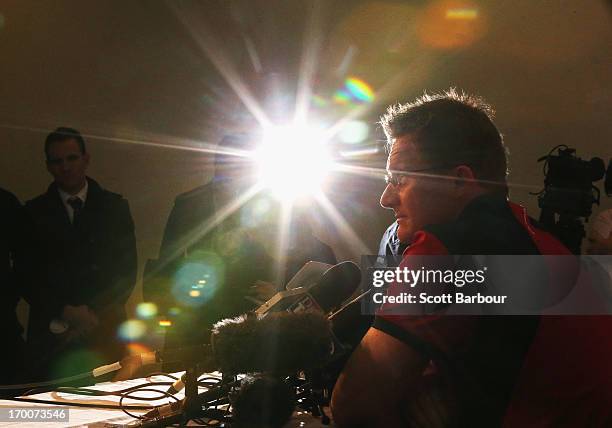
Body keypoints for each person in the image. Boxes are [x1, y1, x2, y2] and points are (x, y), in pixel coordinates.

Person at [331, 90, 612, 427]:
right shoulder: (537, 238)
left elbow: (355, 407)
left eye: (398, 180)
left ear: (458, 180)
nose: (385, 198)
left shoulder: (450, 249)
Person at [148, 135, 336, 355]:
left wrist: (281, 293)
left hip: (252, 317)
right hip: (198, 317)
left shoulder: (275, 201)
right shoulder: (189, 203)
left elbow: (305, 250)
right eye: (227, 163)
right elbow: (168, 261)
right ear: (217, 164)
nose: (235, 172)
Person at [24, 127, 137, 379]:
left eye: (72, 158)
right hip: (53, 335)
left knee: (109, 412)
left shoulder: (114, 207)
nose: (65, 167)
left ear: (86, 159)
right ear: (48, 166)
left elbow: (126, 270)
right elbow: (27, 274)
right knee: (52, 413)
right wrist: (65, 311)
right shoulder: (33, 213)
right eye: (57, 161)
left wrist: (93, 312)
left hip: (104, 330)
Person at [0, 187, 28, 388]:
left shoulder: (5, 202)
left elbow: (26, 264)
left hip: (3, 325)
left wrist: (8, 298)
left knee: (15, 408)